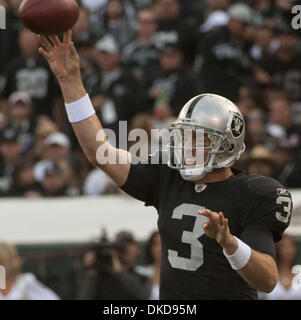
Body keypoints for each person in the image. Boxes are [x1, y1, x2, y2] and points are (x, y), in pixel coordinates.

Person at [38, 30, 292, 299]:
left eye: (198, 138)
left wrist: (229, 243)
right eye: (185, 136)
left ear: (227, 145)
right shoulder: (168, 177)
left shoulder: (254, 193)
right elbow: (99, 152)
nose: (187, 145)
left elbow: (267, 280)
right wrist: (70, 81)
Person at [259, 234, 301, 300]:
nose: (289, 250)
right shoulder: (267, 274)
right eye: (284, 246)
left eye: (291, 245)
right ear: (277, 249)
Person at [136, 231, 161, 300]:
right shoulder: (140, 272)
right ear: (150, 248)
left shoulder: (180, 275)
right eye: (156, 244)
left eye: (163, 243)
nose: (160, 248)